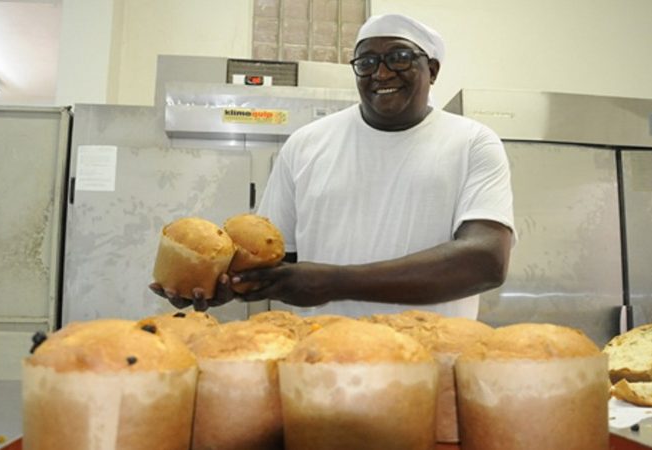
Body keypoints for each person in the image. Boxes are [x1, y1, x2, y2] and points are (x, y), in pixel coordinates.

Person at [152, 13, 515, 319]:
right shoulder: (307, 144)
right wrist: (224, 284)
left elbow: (485, 261)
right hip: (322, 364)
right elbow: (273, 266)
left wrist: (333, 281)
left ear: (432, 70)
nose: (382, 73)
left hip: (432, 364)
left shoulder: (472, 142)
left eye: (400, 57)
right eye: (367, 62)